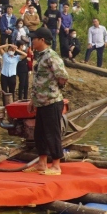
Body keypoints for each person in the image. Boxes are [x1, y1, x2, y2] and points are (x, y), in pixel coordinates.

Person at [28, 27, 68, 176]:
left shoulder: (52, 56)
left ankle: (56, 165)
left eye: (34, 38)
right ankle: (42, 163)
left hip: (51, 101)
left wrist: (54, 90)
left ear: (42, 40)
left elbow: (63, 76)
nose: (32, 41)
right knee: (40, 134)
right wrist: (33, 99)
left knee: (53, 133)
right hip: (41, 101)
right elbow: (38, 80)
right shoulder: (40, 56)